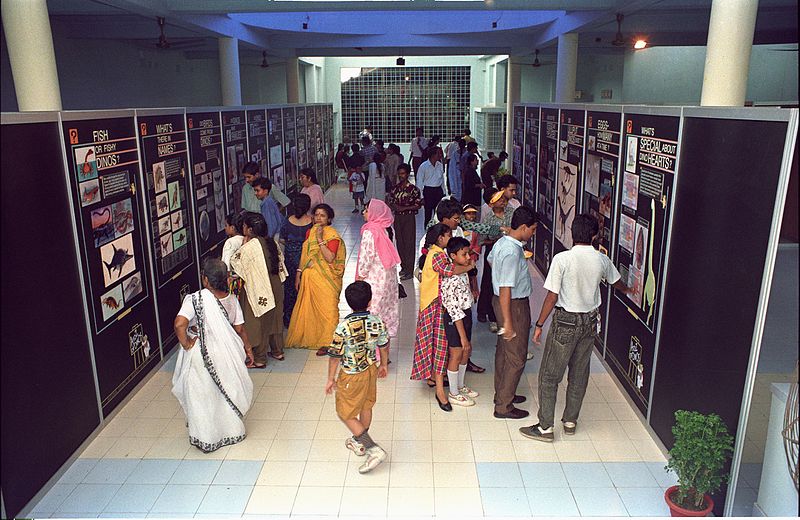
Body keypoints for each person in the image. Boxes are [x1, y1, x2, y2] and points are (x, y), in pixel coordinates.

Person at [520, 214, 631, 441]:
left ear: (572, 233)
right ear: (594, 235)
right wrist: (629, 290)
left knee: (550, 377)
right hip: (590, 323)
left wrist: (539, 324)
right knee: (579, 375)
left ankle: (545, 428)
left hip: (566, 323)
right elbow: (617, 283)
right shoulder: (601, 259)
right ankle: (570, 421)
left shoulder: (562, 259)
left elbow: (552, 296)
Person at [172, 258, 254, 452]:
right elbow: (240, 329)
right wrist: (248, 349)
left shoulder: (195, 300)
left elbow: (179, 324)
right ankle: (232, 432)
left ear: (206, 280)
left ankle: (207, 438)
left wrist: (187, 344)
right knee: (226, 391)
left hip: (202, 354)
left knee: (203, 396)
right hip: (227, 354)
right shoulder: (232, 299)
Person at [325, 281, 389, 473]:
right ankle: (358, 442)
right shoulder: (377, 321)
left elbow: (335, 356)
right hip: (370, 370)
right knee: (366, 405)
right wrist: (384, 364)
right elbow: (384, 344)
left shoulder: (343, 327)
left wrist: (330, 378)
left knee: (345, 413)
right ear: (369, 301)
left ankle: (372, 449)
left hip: (351, 375)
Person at [411, 224, 475, 411]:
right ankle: (442, 391)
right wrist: (470, 266)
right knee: (440, 349)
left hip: (438, 306)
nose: (451, 237)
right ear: (440, 238)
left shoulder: (436, 252)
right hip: (436, 308)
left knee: (439, 348)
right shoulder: (438, 255)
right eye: (448, 235)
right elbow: (449, 271)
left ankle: (436, 379)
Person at [488, 206, 538, 419]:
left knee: (504, 350)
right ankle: (504, 406)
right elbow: (506, 288)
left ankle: (503, 393)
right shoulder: (512, 251)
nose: (533, 233)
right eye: (533, 229)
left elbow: (491, 260)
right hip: (512, 305)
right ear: (524, 227)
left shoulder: (503, 242)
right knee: (517, 356)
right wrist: (508, 321)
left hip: (502, 302)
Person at [286, 203, 347, 356]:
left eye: (323, 215)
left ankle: (329, 342)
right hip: (310, 277)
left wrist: (320, 239)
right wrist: (298, 274)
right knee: (311, 310)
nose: (319, 218)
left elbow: (330, 257)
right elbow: (304, 255)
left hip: (327, 279)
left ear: (329, 218)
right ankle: (314, 339)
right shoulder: (309, 232)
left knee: (328, 310)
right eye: (317, 215)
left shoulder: (332, 235)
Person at [230, 212, 286, 365]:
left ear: (248, 229)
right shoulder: (272, 243)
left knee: (258, 320)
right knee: (275, 318)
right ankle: (277, 351)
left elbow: (235, 263)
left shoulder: (249, 248)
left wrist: (242, 246)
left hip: (258, 286)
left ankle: (260, 358)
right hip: (275, 284)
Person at [440, 236, 480, 407]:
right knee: (457, 353)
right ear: (453, 256)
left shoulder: (463, 272)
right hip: (455, 319)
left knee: (466, 352)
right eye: (464, 254)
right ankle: (454, 393)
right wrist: (463, 337)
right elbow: (454, 311)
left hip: (466, 314)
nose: (468, 257)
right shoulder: (451, 278)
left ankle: (461, 385)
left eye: (468, 253)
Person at [356, 199, 401, 337]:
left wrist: (360, 276)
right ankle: (384, 351)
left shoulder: (370, 231)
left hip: (374, 279)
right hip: (389, 278)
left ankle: (374, 351)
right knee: (386, 310)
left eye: (367, 210)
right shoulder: (388, 228)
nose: (364, 212)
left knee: (372, 312)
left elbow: (366, 257)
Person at [478, 188, 515, 332]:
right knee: (489, 283)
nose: (503, 201)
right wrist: (498, 236)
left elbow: (514, 230)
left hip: (509, 252)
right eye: (499, 199)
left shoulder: (511, 213)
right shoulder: (488, 219)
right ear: (491, 204)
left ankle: (505, 315)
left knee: (506, 283)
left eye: (503, 199)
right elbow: (483, 239)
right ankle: (491, 316)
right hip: (493, 252)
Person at [279, 193, 313, 328]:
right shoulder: (312, 222)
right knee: (305, 289)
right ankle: (306, 319)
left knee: (290, 289)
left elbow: (282, 240)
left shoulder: (287, 221)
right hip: (307, 262)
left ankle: (289, 319)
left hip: (290, 261)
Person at [416, 146, 446, 225]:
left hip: (438, 191)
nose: (440, 155)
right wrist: (421, 197)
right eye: (438, 153)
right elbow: (419, 182)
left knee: (439, 213)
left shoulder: (439, 165)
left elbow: (442, 180)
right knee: (428, 214)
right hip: (428, 191)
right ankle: (427, 232)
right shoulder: (423, 166)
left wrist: (444, 192)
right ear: (433, 155)